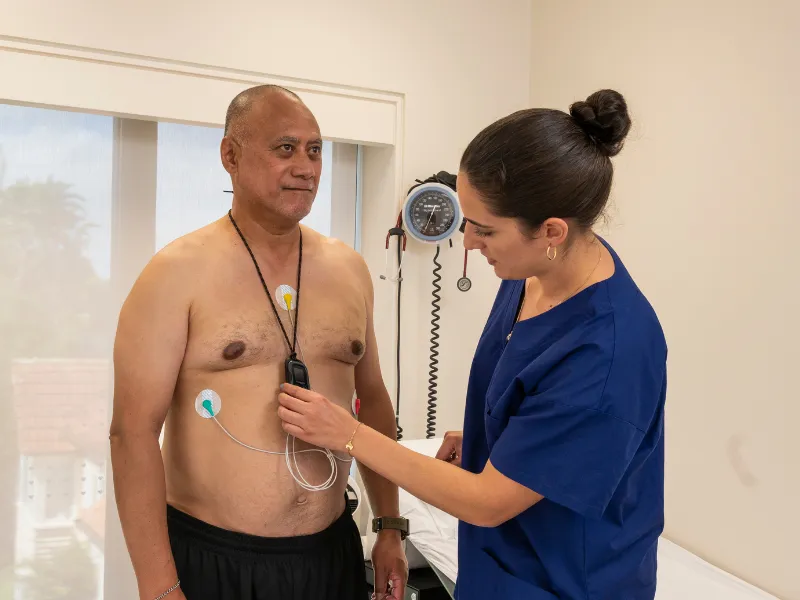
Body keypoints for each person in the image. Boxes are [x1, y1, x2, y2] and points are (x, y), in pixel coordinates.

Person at [277, 89, 668, 599]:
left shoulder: (609, 351)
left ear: (551, 230)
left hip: (565, 583)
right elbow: (536, 393)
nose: (467, 243)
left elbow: (488, 502)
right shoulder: (532, 270)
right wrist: (500, 434)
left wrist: (347, 433)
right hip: (497, 567)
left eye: (483, 230)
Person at [110, 85, 408, 600]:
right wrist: (158, 586)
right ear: (231, 155)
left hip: (330, 552)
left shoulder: (350, 270)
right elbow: (131, 435)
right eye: (285, 148)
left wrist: (388, 527)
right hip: (213, 559)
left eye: (315, 150)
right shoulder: (175, 274)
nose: (306, 167)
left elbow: (373, 400)